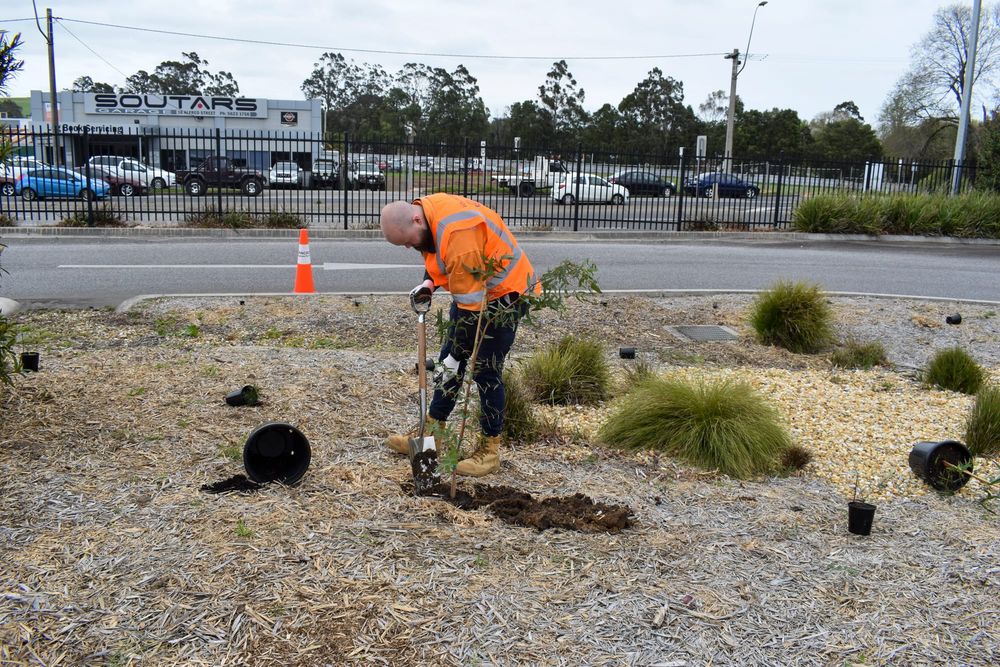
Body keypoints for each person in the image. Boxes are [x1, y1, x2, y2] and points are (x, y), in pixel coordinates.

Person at [379, 194, 541, 476]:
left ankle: (489, 452)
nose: (408, 246)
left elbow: (470, 308)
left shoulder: (457, 234)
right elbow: (438, 258)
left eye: (408, 240)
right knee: (447, 362)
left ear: (416, 220)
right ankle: (432, 435)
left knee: (484, 371)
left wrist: (457, 354)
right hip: (476, 292)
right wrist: (429, 283)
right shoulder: (427, 213)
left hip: (506, 296)